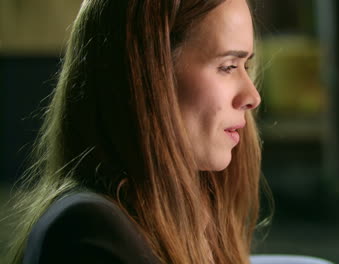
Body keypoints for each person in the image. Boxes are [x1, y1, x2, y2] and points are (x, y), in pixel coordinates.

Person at [5, 0, 270, 263]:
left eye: (246, 66)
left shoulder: (182, 221)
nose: (252, 96)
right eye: (227, 66)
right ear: (147, 75)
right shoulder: (89, 231)